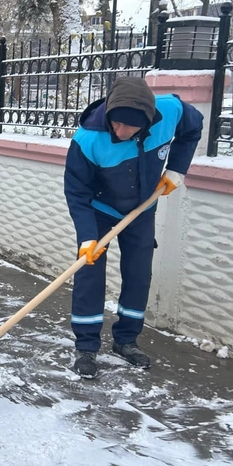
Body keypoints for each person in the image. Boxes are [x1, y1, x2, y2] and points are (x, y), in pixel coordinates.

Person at [64, 76, 203, 379]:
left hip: (141, 208)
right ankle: (86, 346)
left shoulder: (171, 111)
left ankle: (126, 340)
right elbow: (76, 192)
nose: (121, 131)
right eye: (117, 123)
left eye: (131, 126)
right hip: (99, 210)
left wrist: (177, 168)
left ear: (148, 120)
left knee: (139, 274)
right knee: (89, 273)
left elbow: (194, 128)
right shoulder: (88, 138)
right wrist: (88, 237)